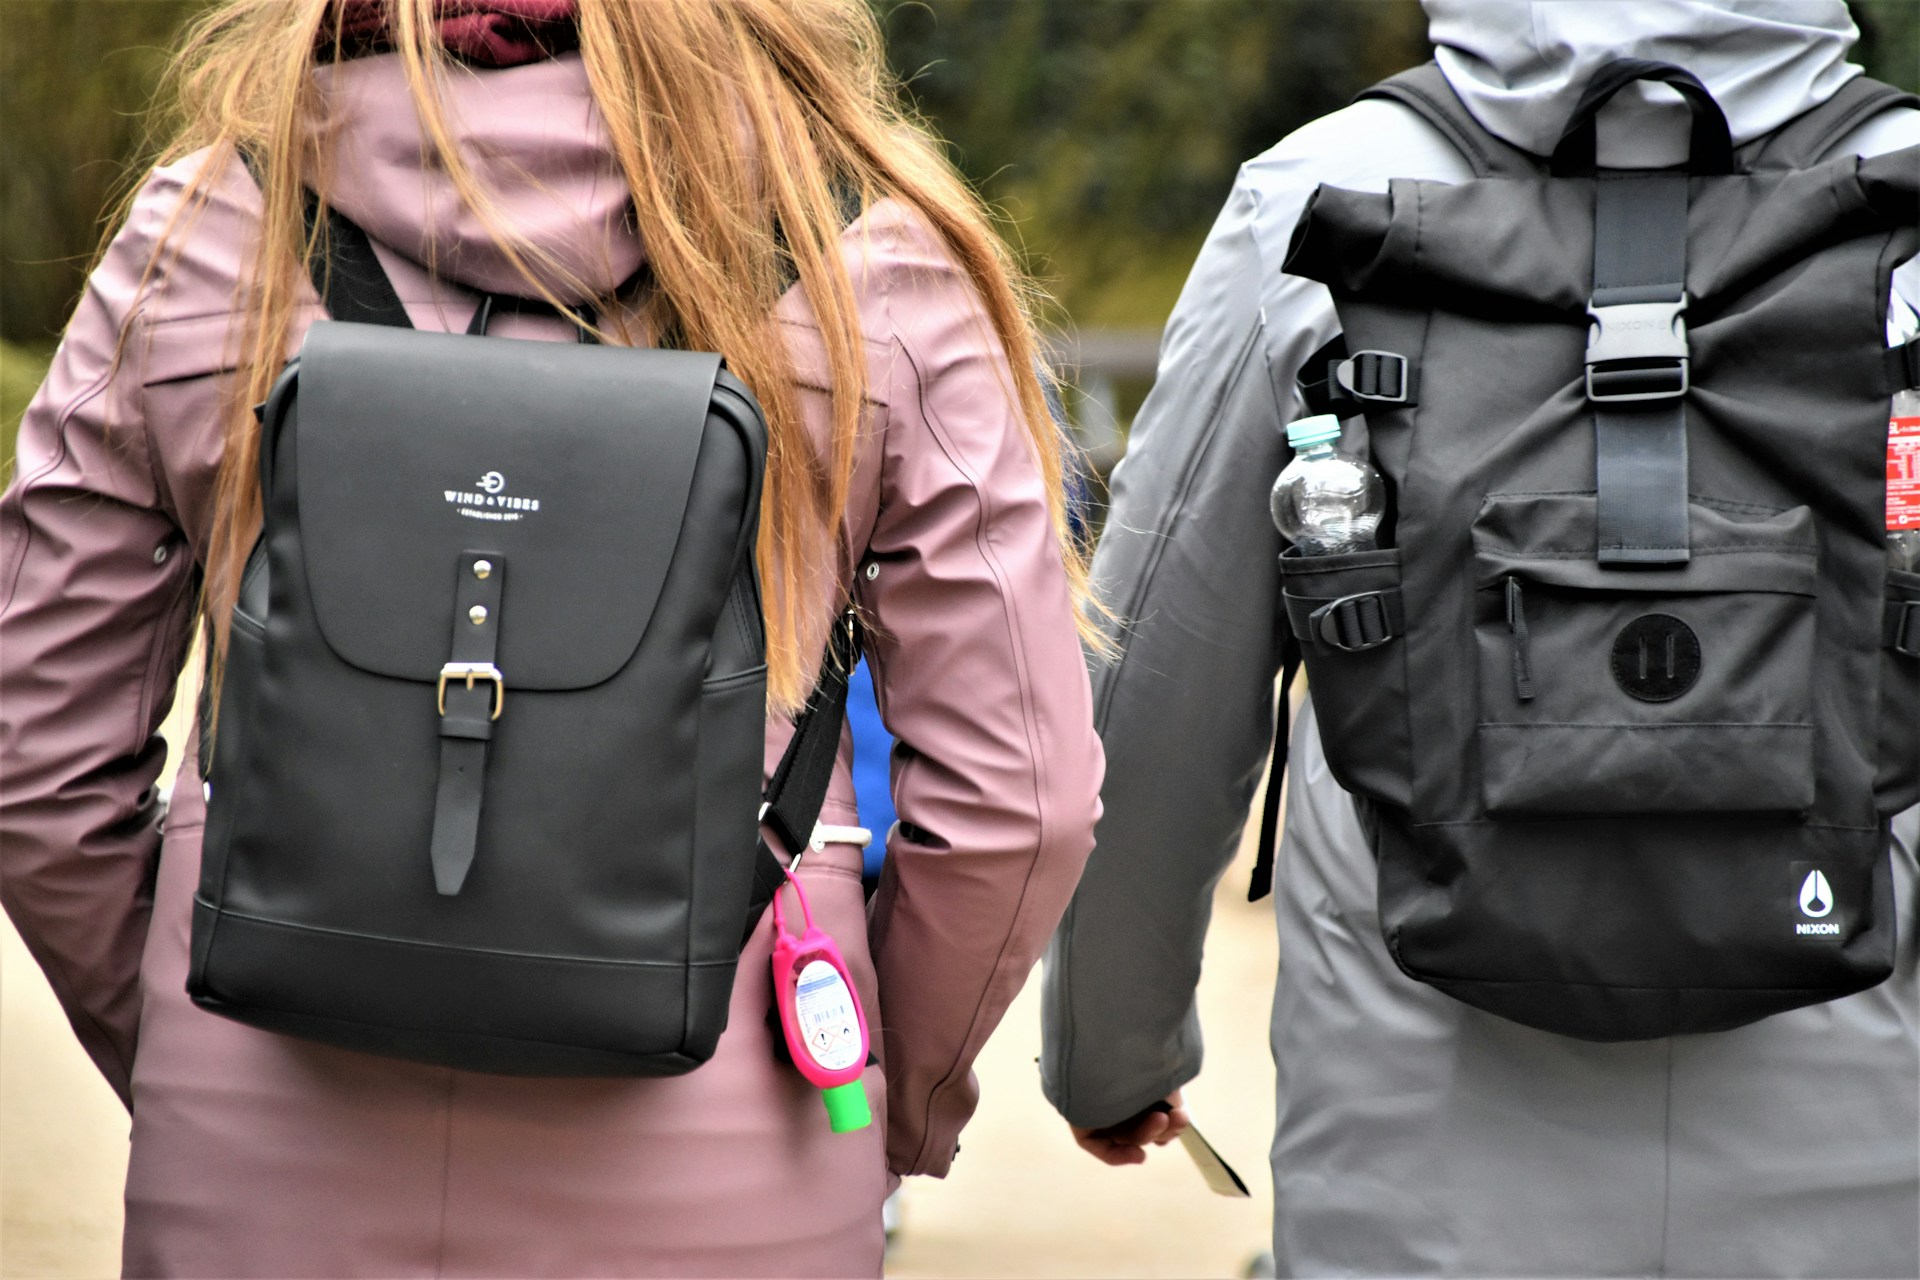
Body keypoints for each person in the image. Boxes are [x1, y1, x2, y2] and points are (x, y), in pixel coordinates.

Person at [0, 1, 1104, 1274]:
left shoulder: (203, 231)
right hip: (733, 1145)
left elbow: (37, 765)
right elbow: (1023, 800)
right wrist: (880, 1098)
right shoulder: (866, 255)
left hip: (261, 1140)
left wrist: (196, 1037)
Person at [1041, 2, 1919, 1276]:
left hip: (1416, 1148)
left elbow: (1154, 684)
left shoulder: (1320, 193)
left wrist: (1110, 1051)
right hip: (1864, 1123)